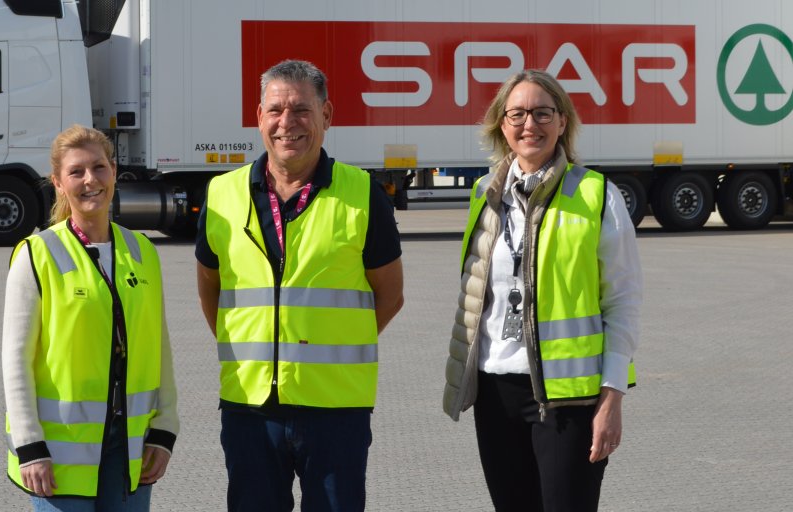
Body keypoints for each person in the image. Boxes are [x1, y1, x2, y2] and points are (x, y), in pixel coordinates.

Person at [195, 59, 404, 512]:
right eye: (275, 110)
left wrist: (336, 344)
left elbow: (390, 295)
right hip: (249, 407)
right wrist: (257, 344)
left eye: (301, 110)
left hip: (335, 408)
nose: (287, 123)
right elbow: (210, 288)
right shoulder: (221, 195)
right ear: (259, 117)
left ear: (327, 115)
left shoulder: (364, 194)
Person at [442, 69, 642, 512]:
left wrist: (612, 398)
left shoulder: (595, 195)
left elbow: (623, 302)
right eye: (517, 114)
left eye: (542, 113)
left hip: (568, 400)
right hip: (496, 393)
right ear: (501, 124)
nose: (529, 124)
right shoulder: (484, 194)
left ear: (562, 122)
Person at [2, 125, 178, 512]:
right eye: (76, 172)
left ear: (114, 171)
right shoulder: (38, 254)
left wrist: (166, 427)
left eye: (99, 167)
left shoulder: (142, 250)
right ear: (58, 183)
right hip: (59, 453)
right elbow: (15, 361)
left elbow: (158, 342)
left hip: (131, 445)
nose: (90, 180)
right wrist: (30, 445)